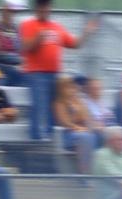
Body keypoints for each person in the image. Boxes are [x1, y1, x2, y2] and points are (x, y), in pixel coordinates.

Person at [19, 0, 98, 142]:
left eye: (47, 6)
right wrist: (38, 39)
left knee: (52, 107)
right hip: (36, 73)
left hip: (54, 74)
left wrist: (87, 32)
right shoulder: (28, 24)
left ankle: (49, 138)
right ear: (37, 8)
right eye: (42, 6)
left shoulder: (57, 26)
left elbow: (74, 44)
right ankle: (37, 139)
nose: (45, 9)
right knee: (39, 106)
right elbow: (25, 46)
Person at [53, 75, 96, 174]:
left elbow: (87, 117)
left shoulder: (80, 101)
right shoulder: (59, 103)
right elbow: (64, 121)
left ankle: (89, 171)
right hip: (68, 134)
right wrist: (77, 126)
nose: (71, 90)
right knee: (85, 137)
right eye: (68, 87)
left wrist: (86, 126)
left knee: (93, 136)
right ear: (61, 89)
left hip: (83, 131)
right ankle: (84, 172)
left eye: (72, 87)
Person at [0, 0, 26, 87]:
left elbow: (21, 50)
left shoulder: (17, 30)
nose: (9, 15)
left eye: (12, 12)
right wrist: (20, 60)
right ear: (1, 12)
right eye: (6, 11)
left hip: (16, 69)